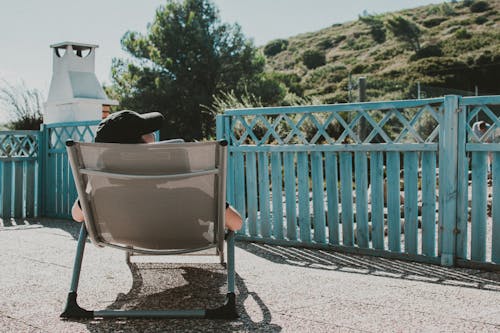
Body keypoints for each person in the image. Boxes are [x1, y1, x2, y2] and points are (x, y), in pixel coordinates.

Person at [71, 110, 243, 231]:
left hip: (126, 240)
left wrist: (93, 184)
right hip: (185, 243)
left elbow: (77, 215)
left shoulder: (101, 195)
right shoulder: (189, 194)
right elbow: (236, 223)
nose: (154, 135)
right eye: (149, 132)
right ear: (141, 144)